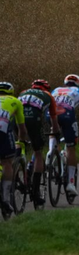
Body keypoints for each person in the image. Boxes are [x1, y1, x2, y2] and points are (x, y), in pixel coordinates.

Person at [17, 80, 60, 209]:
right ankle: (35, 192)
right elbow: (53, 119)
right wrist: (56, 132)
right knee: (38, 152)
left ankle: (18, 166)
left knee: (19, 142)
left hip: (16, 120)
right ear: (46, 88)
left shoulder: (23, 92)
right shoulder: (48, 96)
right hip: (33, 121)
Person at [51, 74, 79, 197]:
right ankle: (71, 183)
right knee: (71, 148)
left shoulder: (56, 90)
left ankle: (51, 152)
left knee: (54, 129)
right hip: (67, 116)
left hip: (51, 115)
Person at [0, 82, 30, 218]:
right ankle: (6, 199)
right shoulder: (15, 101)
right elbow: (21, 128)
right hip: (2, 131)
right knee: (7, 162)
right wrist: (21, 141)